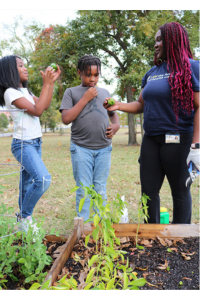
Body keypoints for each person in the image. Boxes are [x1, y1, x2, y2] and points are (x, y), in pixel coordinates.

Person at [104, 22, 200, 224]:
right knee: (148, 191)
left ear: (173, 40)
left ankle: (181, 239)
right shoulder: (152, 73)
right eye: (155, 40)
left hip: (179, 138)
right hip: (151, 140)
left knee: (180, 191)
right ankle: (152, 236)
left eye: (159, 39)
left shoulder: (192, 67)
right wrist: (119, 105)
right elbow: (140, 104)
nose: (155, 45)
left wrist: (196, 145)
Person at [0, 55, 61, 232]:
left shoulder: (26, 92)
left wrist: (51, 83)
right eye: (20, 65)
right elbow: (38, 110)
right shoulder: (10, 92)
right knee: (43, 179)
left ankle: (24, 226)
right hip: (23, 144)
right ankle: (25, 216)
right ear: (10, 71)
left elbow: (44, 104)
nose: (25, 68)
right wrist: (46, 84)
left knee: (26, 185)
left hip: (35, 143)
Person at [60, 54, 120, 221]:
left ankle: (101, 224)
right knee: (84, 189)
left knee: (100, 188)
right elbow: (66, 119)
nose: (93, 79)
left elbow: (114, 116)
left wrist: (115, 127)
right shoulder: (71, 92)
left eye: (96, 74)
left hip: (104, 148)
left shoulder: (105, 92)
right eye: (88, 75)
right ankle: (84, 225)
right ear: (80, 73)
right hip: (81, 148)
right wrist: (85, 98)